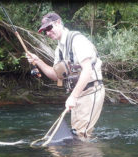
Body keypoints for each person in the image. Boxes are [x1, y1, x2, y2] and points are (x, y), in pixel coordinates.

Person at [26, 12, 105, 141]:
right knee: (76, 133)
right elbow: (55, 76)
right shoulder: (59, 50)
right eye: (45, 31)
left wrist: (73, 97)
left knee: (80, 136)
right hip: (78, 94)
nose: (47, 33)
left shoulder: (77, 40)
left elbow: (87, 70)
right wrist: (38, 61)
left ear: (58, 23)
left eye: (49, 28)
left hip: (91, 91)